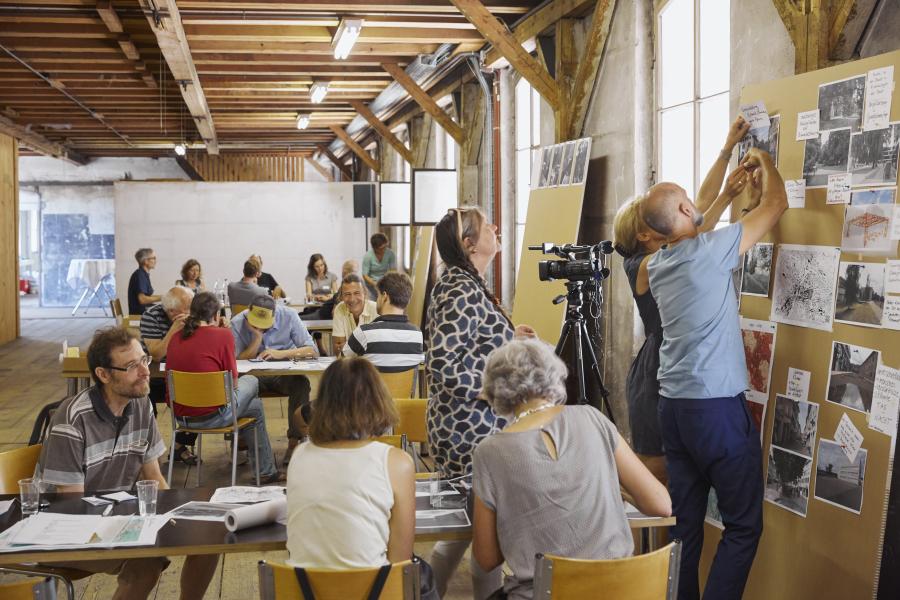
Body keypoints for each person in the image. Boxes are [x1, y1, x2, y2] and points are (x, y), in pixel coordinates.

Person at [641, 147, 787, 600]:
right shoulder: (710, 251)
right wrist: (763, 160)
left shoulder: (655, 265)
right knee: (743, 526)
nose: (694, 204)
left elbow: (692, 230)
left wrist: (727, 196)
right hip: (716, 410)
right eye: (688, 200)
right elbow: (777, 204)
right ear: (687, 211)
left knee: (684, 526)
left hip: (674, 409)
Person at [472, 339, 672, 600]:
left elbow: (487, 559)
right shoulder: (593, 418)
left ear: (495, 388)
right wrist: (613, 488)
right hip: (623, 591)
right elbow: (661, 505)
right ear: (554, 374)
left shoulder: (490, 451)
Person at [612, 115, 752, 483]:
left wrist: (726, 150)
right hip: (655, 376)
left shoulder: (666, 251)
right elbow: (700, 221)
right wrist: (727, 196)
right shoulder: (642, 265)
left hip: (674, 368)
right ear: (644, 234)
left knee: (680, 480)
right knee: (657, 478)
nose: (679, 214)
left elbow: (698, 207)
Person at [35, 327, 219, 600]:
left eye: (144, 359)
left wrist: (176, 518)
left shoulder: (141, 403)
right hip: (62, 529)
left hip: (118, 517)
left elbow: (154, 476)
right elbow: (72, 503)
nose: (145, 371)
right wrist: (129, 527)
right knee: (146, 562)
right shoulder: (73, 419)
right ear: (103, 375)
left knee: (209, 537)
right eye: (132, 366)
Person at [426, 206, 535, 599]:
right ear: (469, 243)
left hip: (473, 427)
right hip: (470, 432)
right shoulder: (459, 289)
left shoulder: (466, 283)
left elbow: (470, 344)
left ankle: (425, 592)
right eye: (487, 224)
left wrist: (508, 336)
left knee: (468, 531)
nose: (496, 226)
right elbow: (443, 364)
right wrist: (494, 389)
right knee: (488, 537)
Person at [286, 357, 414, 568]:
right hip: (374, 584)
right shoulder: (397, 463)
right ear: (378, 400)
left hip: (302, 584)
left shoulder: (299, 455)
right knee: (423, 569)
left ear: (321, 403)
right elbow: (401, 561)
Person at [166, 292, 283, 483]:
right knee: (252, 381)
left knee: (255, 407)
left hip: (181, 419)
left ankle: (262, 467)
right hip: (214, 416)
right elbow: (233, 384)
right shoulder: (223, 335)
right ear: (215, 315)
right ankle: (264, 471)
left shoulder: (175, 337)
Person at [232, 294, 318, 464]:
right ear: (249, 312)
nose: (259, 327)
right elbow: (236, 361)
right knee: (238, 386)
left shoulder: (289, 315)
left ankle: (295, 441)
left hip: (284, 374)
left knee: (301, 383)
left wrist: (281, 353)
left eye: (264, 325)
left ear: (274, 315)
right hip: (253, 375)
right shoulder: (237, 322)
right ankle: (241, 440)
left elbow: (312, 351)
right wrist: (257, 338)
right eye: (255, 323)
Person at [140, 286, 198, 464]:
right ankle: (147, 452)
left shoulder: (195, 314)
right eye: (187, 308)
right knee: (143, 403)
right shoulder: (151, 316)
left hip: (182, 375)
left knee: (202, 396)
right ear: (172, 311)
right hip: (154, 378)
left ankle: (180, 445)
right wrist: (174, 330)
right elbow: (156, 354)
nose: (191, 312)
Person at [343, 272, 424, 372]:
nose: (377, 300)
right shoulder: (417, 334)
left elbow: (341, 364)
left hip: (373, 383)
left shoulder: (363, 333)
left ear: (384, 296)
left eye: (378, 295)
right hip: (407, 383)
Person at [331, 273, 378, 355]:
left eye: (357, 293)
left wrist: (348, 348)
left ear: (365, 293)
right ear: (341, 296)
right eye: (347, 294)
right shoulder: (339, 309)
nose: (352, 299)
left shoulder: (376, 309)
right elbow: (338, 347)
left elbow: (377, 348)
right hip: (347, 362)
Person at [362, 232, 397, 299]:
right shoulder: (368, 256)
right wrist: (375, 284)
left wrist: (386, 281)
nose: (384, 249)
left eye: (386, 246)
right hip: (371, 285)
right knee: (372, 301)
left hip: (385, 283)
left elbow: (393, 270)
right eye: (382, 248)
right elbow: (365, 275)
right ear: (375, 248)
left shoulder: (390, 254)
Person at [127, 248, 160, 315]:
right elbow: (142, 300)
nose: (155, 261)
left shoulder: (143, 274)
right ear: (146, 261)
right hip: (139, 315)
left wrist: (165, 297)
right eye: (153, 258)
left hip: (143, 311)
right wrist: (163, 298)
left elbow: (147, 297)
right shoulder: (140, 275)